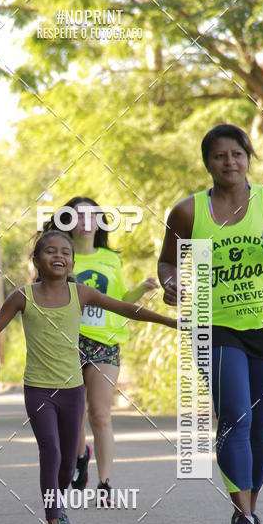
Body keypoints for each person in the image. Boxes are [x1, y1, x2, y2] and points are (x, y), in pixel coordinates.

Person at [0, 230, 177, 524]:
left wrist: (170, 322)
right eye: (50, 251)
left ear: (72, 263)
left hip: (72, 390)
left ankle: (60, 503)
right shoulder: (22, 296)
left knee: (68, 464)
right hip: (38, 389)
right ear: (36, 261)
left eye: (65, 252)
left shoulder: (81, 293)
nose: (59, 256)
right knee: (51, 453)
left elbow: (126, 309)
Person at [158, 123, 263, 524]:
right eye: (219, 156)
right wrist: (171, 283)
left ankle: (248, 512)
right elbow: (167, 263)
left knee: (261, 430)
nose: (229, 162)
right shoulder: (188, 211)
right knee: (236, 418)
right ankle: (243, 516)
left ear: (248, 157)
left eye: (237, 154)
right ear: (207, 163)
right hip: (214, 326)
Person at [44, 198, 158, 503]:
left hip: (105, 343)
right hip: (68, 341)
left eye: (92, 216)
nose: (85, 221)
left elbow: (119, 300)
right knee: (74, 414)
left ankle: (105, 484)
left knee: (100, 413)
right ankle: (81, 455)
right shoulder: (60, 254)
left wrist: (142, 289)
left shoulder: (110, 259)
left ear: (100, 223)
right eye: (78, 216)